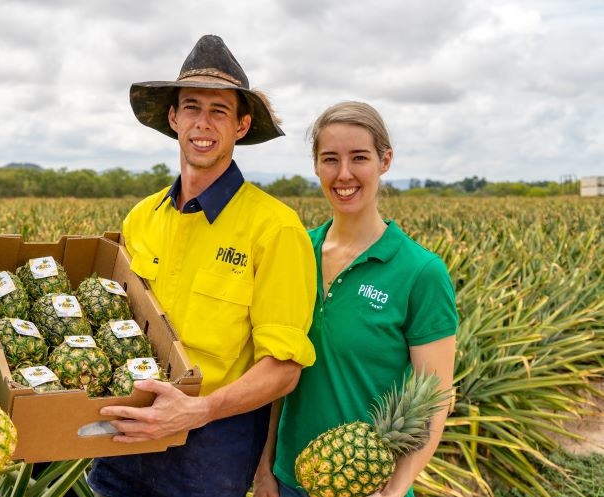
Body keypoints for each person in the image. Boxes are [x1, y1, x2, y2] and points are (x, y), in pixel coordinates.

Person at [86, 35, 318, 497]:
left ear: (242, 125)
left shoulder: (274, 229)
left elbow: (284, 368)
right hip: (123, 437)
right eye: (191, 107)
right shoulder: (141, 218)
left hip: (210, 450)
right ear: (173, 118)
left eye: (219, 111)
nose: (202, 123)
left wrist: (200, 409)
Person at [253, 101, 459, 497]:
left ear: (385, 161)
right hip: (286, 481)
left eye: (359, 158)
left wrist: (395, 490)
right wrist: (264, 470)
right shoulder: (295, 253)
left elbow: (434, 403)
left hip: (371, 487)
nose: (343, 174)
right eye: (330, 159)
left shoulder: (420, 272)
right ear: (315, 166)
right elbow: (274, 371)